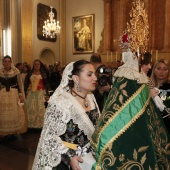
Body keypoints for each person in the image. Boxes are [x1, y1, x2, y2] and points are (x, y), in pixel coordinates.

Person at [90, 51, 170, 169]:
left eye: (165, 69)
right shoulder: (133, 81)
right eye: (145, 63)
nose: (149, 67)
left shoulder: (145, 82)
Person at [32, 60, 100, 170]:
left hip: (91, 159)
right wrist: (70, 156)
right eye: (89, 74)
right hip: (68, 163)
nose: (95, 78)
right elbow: (49, 137)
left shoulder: (91, 98)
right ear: (75, 78)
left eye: (95, 74)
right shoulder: (60, 102)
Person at [0, 55, 27, 137]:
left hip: (13, 94)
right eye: (5, 61)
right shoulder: (0, 72)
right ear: (3, 63)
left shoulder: (16, 71)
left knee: (14, 112)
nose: (7, 63)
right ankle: (6, 131)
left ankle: (13, 130)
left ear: (11, 62)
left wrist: (21, 95)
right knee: (3, 113)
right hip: (3, 94)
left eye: (9, 61)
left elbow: (20, 84)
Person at [24, 59, 51, 129]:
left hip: (40, 93)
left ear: (40, 65)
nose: (36, 65)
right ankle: (31, 124)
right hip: (31, 93)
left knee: (40, 108)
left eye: (38, 64)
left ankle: (40, 124)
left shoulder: (43, 74)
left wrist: (48, 94)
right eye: (35, 64)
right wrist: (24, 93)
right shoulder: (30, 73)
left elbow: (47, 84)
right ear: (33, 65)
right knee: (31, 108)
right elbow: (26, 84)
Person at [150, 59, 170, 133]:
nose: (161, 72)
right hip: (151, 123)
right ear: (154, 70)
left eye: (165, 69)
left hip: (166, 124)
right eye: (158, 68)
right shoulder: (147, 85)